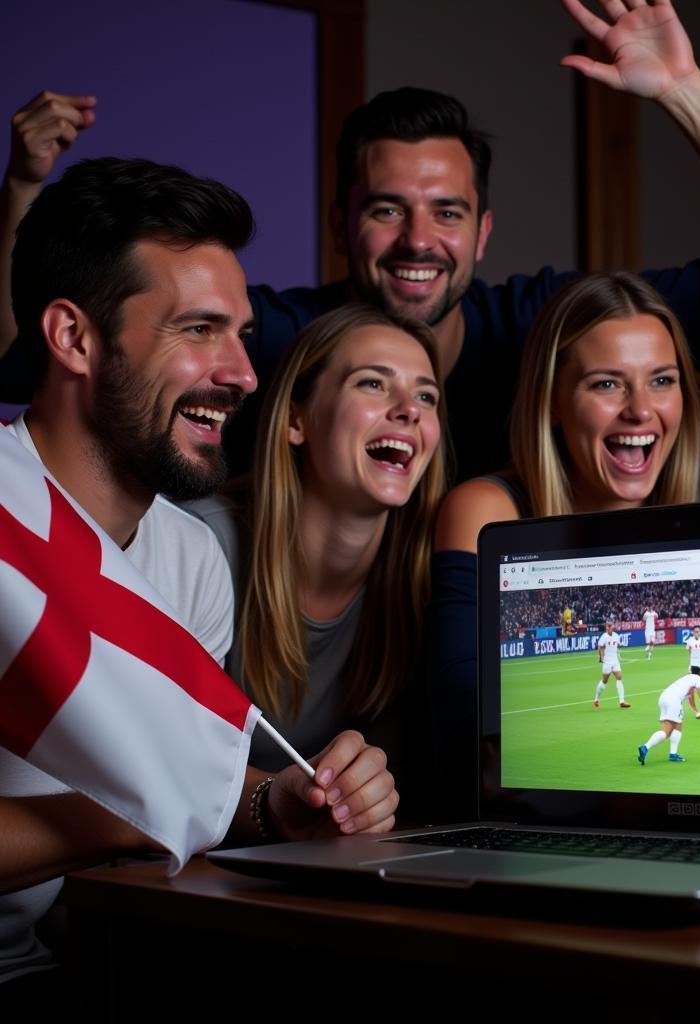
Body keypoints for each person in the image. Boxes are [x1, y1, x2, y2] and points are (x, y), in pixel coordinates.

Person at [0, 0, 700, 480]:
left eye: (447, 213)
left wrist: (686, 93)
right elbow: (28, 358)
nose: (417, 241)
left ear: (483, 233)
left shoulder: (551, 328)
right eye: (386, 209)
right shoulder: (268, 341)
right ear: (339, 225)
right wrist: (23, 190)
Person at [1, 157, 395, 986]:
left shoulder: (190, 558)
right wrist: (130, 821)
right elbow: (142, 809)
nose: (244, 375)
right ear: (73, 337)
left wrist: (274, 803)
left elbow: (161, 777)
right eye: (197, 330)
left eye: (243, 335)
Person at [431, 272, 700, 813]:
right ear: (554, 400)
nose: (639, 409)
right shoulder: (486, 511)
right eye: (607, 383)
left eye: (662, 380)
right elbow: (469, 749)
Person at [187, 303, 445, 810]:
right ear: (295, 420)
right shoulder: (200, 544)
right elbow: (158, 773)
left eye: (426, 396)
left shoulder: (427, 578)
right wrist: (281, 803)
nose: (409, 410)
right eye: (373, 384)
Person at [637, 673, 700, 766]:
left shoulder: (686, 679)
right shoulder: (698, 678)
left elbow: (691, 697)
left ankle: (649, 748)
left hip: (663, 698)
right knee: (674, 728)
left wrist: (696, 710)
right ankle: (665, 752)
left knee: (667, 731)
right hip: (674, 700)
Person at [596, 621, 630, 709]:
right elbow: (599, 647)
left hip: (615, 660)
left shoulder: (616, 636)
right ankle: (596, 699)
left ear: (612, 627)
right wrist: (600, 657)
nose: (607, 628)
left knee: (619, 677)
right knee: (604, 681)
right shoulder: (604, 636)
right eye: (607, 627)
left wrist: (619, 651)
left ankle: (622, 701)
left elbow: (617, 646)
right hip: (607, 661)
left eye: (609, 626)